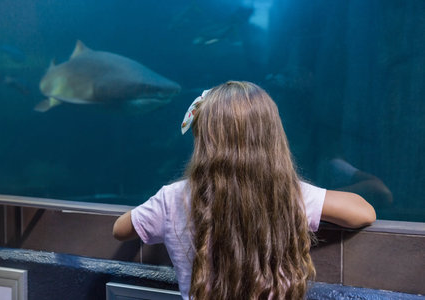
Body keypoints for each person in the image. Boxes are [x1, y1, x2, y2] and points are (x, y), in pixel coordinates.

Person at [113, 81, 376, 300]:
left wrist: (162, 211)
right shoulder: (286, 193)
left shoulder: (172, 198)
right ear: (270, 137)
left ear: (203, 138)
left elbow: (121, 229)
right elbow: (363, 212)